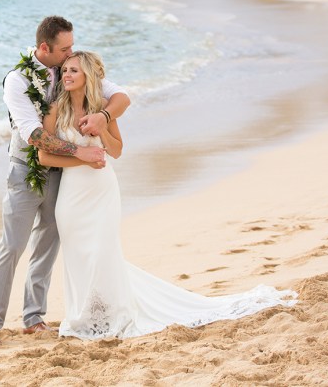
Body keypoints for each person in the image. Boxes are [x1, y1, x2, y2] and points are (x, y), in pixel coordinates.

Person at [39, 51, 296, 340]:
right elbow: (45, 157)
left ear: (87, 76)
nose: (67, 75)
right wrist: (84, 158)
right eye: (65, 71)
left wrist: (101, 129)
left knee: (103, 252)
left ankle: (112, 314)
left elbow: (117, 150)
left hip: (101, 191)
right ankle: (85, 316)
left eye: (74, 70)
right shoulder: (54, 111)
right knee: (78, 256)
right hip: (71, 197)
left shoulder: (101, 108)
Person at [0, 16, 131, 347]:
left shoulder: (71, 71)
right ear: (45, 48)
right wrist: (82, 151)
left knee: (48, 246)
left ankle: (34, 317)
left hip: (65, 177)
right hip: (25, 172)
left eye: (72, 48)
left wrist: (104, 117)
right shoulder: (17, 81)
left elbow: (119, 95)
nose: (70, 54)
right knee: (12, 246)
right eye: (65, 48)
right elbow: (34, 135)